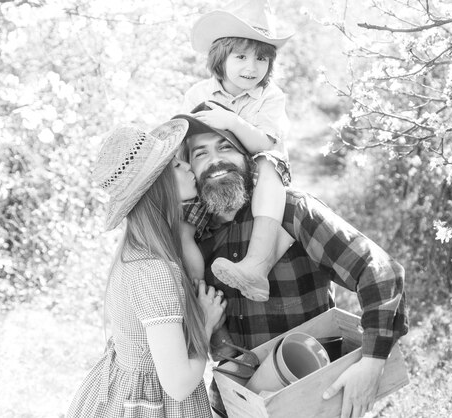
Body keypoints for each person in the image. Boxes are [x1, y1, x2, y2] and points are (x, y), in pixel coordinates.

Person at [176, 114, 409, 418]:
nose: (216, 161)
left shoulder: (291, 211)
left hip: (314, 396)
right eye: (201, 153)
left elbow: (379, 272)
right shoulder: (196, 242)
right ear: (190, 169)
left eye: (226, 148)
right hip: (236, 405)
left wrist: (372, 363)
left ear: (249, 158)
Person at [67, 120, 227, 418]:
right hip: (148, 405)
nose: (187, 166)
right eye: (175, 165)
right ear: (158, 186)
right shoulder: (154, 271)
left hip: (119, 390)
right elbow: (178, 385)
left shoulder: (139, 245)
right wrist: (205, 324)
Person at [180, 0, 295, 303]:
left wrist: (232, 122)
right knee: (183, 222)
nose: (251, 67)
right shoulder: (198, 94)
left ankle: (257, 263)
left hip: (259, 177)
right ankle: (195, 293)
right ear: (220, 57)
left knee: (269, 164)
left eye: (261, 59)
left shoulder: (270, 96)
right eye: (241, 56)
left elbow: (266, 144)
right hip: (218, 174)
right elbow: (186, 142)